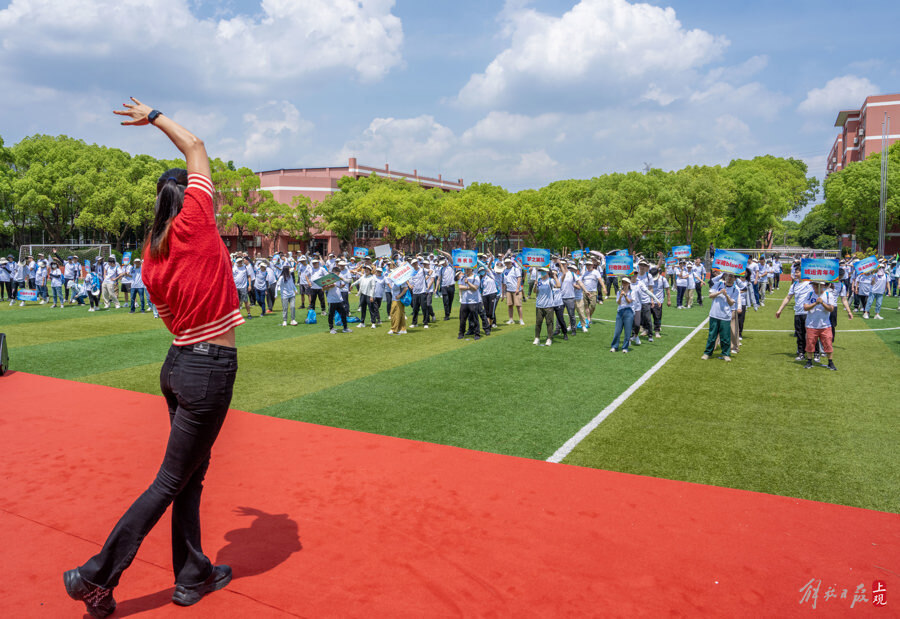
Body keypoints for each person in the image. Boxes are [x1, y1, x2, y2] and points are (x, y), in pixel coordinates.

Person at [66, 97, 243, 618]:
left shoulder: (152, 251)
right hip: (209, 367)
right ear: (189, 196)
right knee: (171, 480)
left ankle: (192, 575)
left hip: (178, 363)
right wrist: (155, 116)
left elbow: (169, 317)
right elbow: (197, 146)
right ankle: (95, 575)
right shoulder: (198, 220)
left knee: (190, 476)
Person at [775, 271, 813, 361]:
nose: (795, 274)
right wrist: (780, 310)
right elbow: (788, 297)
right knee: (800, 334)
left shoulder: (809, 283)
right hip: (798, 313)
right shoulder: (794, 285)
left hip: (809, 313)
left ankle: (815, 353)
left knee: (811, 334)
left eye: (797, 272)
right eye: (795, 273)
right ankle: (801, 353)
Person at [701, 271, 737, 361]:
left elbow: (731, 303)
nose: (729, 278)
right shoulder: (718, 284)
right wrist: (719, 292)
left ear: (735, 279)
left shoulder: (735, 289)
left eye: (732, 276)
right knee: (712, 335)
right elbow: (710, 295)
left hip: (725, 316)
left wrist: (726, 296)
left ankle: (726, 354)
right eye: (728, 276)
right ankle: (707, 353)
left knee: (725, 337)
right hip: (714, 314)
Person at [803, 281, 837, 370]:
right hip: (811, 324)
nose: (814, 286)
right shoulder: (809, 294)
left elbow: (831, 309)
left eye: (816, 285)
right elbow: (805, 307)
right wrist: (815, 303)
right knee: (810, 344)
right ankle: (809, 361)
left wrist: (822, 303)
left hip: (825, 325)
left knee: (828, 344)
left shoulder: (829, 295)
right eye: (813, 285)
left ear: (822, 285)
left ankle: (830, 362)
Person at [532, 267, 558, 346]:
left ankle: (549, 338)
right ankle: (537, 338)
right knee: (538, 322)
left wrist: (555, 277)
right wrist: (535, 285)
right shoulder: (539, 281)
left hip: (549, 305)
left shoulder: (550, 280)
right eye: (541, 271)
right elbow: (534, 291)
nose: (542, 273)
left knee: (549, 322)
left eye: (543, 271)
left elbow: (558, 285)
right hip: (539, 305)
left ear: (547, 272)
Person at [457, 265, 483, 340]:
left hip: (473, 301)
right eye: (465, 269)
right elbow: (460, 287)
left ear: (471, 269)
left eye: (468, 269)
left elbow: (475, 288)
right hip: (464, 301)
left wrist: (468, 283)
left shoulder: (476, 277)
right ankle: (461, 333)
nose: (466, 271)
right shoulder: (462, 277)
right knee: (462, 319)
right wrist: (469, 287)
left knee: (475, 318)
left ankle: (477, 333)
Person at [610, 277, 635, 353]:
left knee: (627, 331)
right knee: (617, 331)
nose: (623, 284)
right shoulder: (619, 292)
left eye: (625, 283)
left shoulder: (632, 292)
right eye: (623, 282)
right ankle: (614, 346)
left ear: (628, 284)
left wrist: (625, 295)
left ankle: (625, 347)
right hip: (620, 311)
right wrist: (620, 296)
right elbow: (618, 303)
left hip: (629, 311)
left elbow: (629, 302)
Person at [324, 264, 351, 334]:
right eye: (337, 274)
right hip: (331, 300)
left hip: (339, 299)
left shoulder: (339, 278)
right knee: (331, 314)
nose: (338, 275)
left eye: (338, 274)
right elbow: (323, 289)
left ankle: (345, 328)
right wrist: (329, 286)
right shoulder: (328, 278)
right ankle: (331, 328)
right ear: (333, 273)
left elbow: (340, 286)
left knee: (343, 313)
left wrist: (341, 286)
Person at [502, 257, 525, 325]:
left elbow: (519, 279)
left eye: (509, 262)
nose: (507, 264)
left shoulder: (515, 269)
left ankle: (521, 320)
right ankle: (511, 319)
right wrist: (504, 292)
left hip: (516, 290)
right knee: (510, 305)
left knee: (518, 305)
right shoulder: (504, 270)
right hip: (508, 290)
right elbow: (504, 282)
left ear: (511, 263)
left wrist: (517, 289)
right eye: (506, 263)